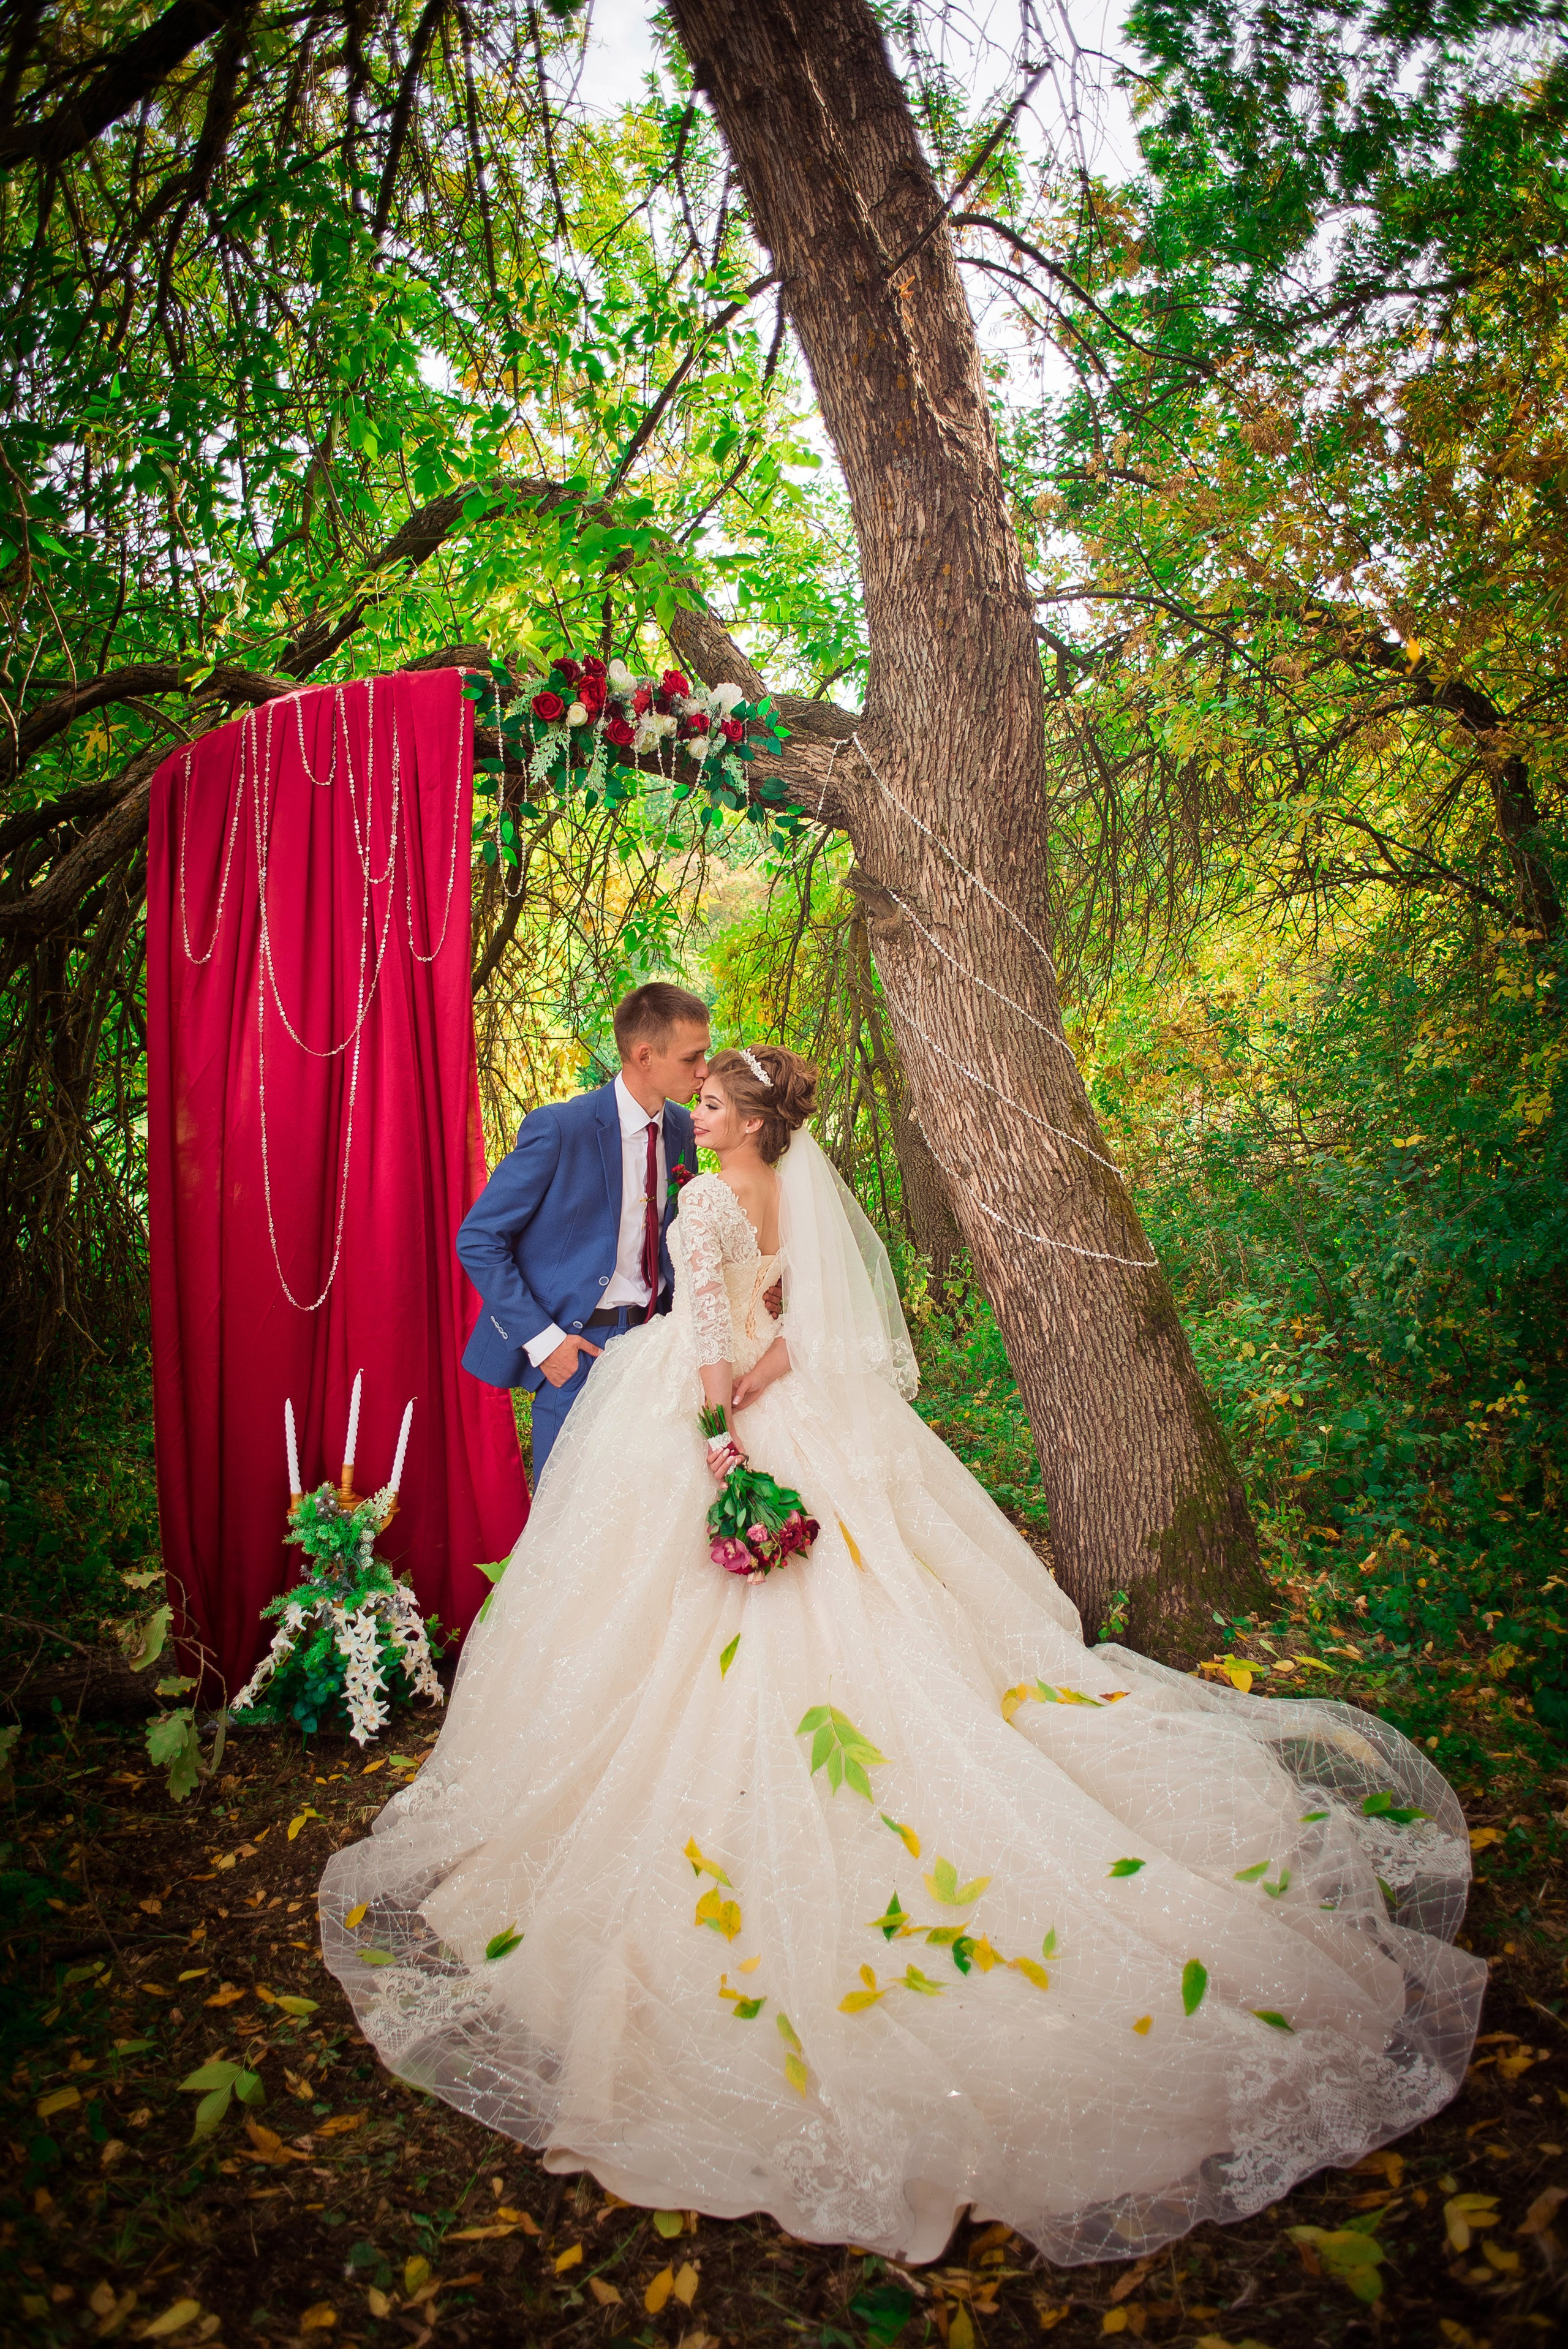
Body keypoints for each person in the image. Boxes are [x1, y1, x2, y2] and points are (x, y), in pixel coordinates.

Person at [321, 1045, 1482, 2266]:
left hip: (706, 1406)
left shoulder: (711, 1197)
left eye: (709, 1102)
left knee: (675, 1622)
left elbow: (713, 1332)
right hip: (802, 1406)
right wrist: (762, 1393)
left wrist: (717, 1440)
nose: (693, 1114)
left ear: (748, 1118)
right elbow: (803, 1329)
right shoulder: (794, 1185)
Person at [454, 981, 708, 1481]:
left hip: (657, 1350)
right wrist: (547, 1343)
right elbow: (479, 1238)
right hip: (578, 1353)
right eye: (692, 1058)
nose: (704, 1070)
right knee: (563, 1524)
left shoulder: (682, 1130)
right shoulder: (560, 1129)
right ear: (644, 1055)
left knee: (643, 1516)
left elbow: (677, 1239)